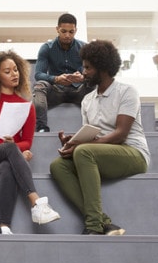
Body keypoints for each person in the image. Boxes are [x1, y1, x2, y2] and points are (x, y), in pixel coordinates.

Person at [50, 40, 150, 236]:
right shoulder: (87, 100)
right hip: (100, 154)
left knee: (84, 151)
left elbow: (121, 134)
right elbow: (91, 135)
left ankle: (94, 226)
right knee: (58, 166)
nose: (83, 72)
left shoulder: (127, 92)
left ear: (103, 68)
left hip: (133, 153)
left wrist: (82, 146)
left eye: (88, 67)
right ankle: (105, 223)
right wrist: (73, 143)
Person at [0, 50, 61, 234]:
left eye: (15, 69)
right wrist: (12, 149)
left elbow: (27, 141)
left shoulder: (27, 106)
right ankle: (36, 202)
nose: (14, 74)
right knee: (9, 150)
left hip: (9, 159)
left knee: (7, 168)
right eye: (7, 71)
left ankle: (4, 226)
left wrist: (13, 151)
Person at [32, 13, 94, 132]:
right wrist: (56, 79)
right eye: (63, 31)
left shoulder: (84, 48)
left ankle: (94, 127)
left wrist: (83, 77)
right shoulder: (47, 48)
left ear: (75, 30)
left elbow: (92, 73)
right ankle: (41, 127)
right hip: (56, 91)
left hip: (79, 91)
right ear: (57, 29)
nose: (67, 35)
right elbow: (38, 74)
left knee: (93, 85)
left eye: (71, 32)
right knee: (39, 85)